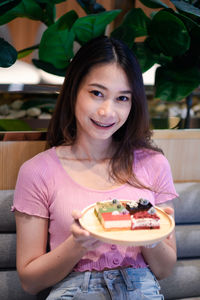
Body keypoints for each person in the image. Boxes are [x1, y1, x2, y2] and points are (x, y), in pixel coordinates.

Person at [12, 35, 178, 300]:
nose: (107, 111)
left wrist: (153, 235)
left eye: (122, 98)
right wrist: (78, 244)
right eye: (97, 93)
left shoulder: (154, 164)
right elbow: (30, 282)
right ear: (74, 89)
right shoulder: (37, 171)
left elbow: (165, 268)